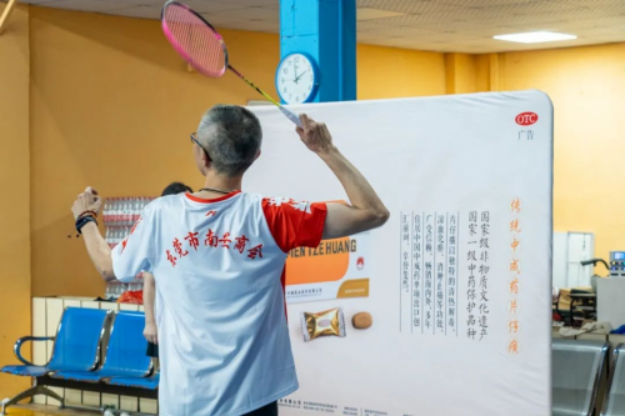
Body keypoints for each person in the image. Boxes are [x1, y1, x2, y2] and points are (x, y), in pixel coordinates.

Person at [71, 106, 389, 416]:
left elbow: (108, 266)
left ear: (203, 156)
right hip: (254, 400)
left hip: (185, 400)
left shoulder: (161, 215)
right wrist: (325, 148)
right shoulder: (272, 215)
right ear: (255, 156)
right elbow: (373, 212)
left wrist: (85, 218)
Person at [143, 182, 194, 359]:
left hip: (193, 323)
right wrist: (150, 322)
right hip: (166, 320)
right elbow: (149, 284)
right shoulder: (157, 238)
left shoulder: (196, 237)